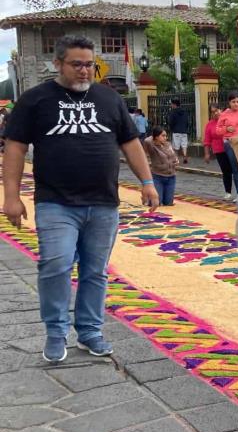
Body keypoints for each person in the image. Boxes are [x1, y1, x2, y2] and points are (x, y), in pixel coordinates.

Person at [2, 34, 159, 363]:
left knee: (95, 271)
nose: (84, 71)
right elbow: (15, 148)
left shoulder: (109, 99)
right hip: (55, 203)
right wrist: (11, 197)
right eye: (76, 64)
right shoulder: (35, 100)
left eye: (90, 65)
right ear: (57, 64)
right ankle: (56, 332)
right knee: (55, 265)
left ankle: (89, 331)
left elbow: (130, 142)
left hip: (103, 203)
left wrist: (146, 181)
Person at [203, 105, 233, 200]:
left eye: (217, 110)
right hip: (219, 150)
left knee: (236, 171)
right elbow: (207, 140)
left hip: (232, 148)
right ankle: (228, 192)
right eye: (213, 112)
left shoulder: (228, 120)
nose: (215, 113)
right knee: (226, 171)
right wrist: (207, 153)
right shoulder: (210, 124)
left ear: (221, 110)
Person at [143, 126, 178, 206]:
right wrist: (154, 137)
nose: (165, 137)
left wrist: (176, 160)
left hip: (171, 176)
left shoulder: (168, 145)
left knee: (168, 203)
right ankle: (148, 198)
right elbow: (146, 140)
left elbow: (173, 155)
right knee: (156, 203)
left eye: (166, 135)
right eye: (163, 135)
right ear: (156, 137)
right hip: (158, 176)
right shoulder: (152, 146)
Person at [167, 98, 189, 164]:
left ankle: (176, 159)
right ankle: (184, 155)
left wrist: (171, 128)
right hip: (184, 131)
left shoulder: (173, 112)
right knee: (184, 145)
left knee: (176, 147)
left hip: (176, 131)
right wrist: (185, 128)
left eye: (171, 104)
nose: (171, 105)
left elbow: (171, 122)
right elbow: (187, 121)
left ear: (174, 104)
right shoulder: (184, 112)